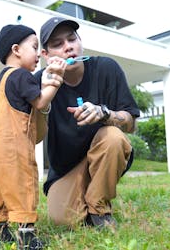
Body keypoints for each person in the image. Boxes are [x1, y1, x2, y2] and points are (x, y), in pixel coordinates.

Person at [34, 17, 140, 229]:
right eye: (57, 44)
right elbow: (35, 137)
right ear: (45, 55)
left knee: (113, 137)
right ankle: (87, 196)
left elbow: (131, 124)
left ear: (80, 41)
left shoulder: (106, 68)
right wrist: (47, 95)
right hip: (66, 168)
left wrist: (104, 113)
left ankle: (98, 208)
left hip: (104, 153)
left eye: (72, 39)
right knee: (63, 221)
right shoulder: (39, 82)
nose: (68, 47)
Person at [0, 24, 66, 249]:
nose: (40, 53)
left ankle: (0, 231)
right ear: (16, 50)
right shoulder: (22, 75)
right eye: (34, 47)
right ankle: (26, 236)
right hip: (14, 146)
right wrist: (57, 79)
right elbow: (40, 101)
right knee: (23, 185)